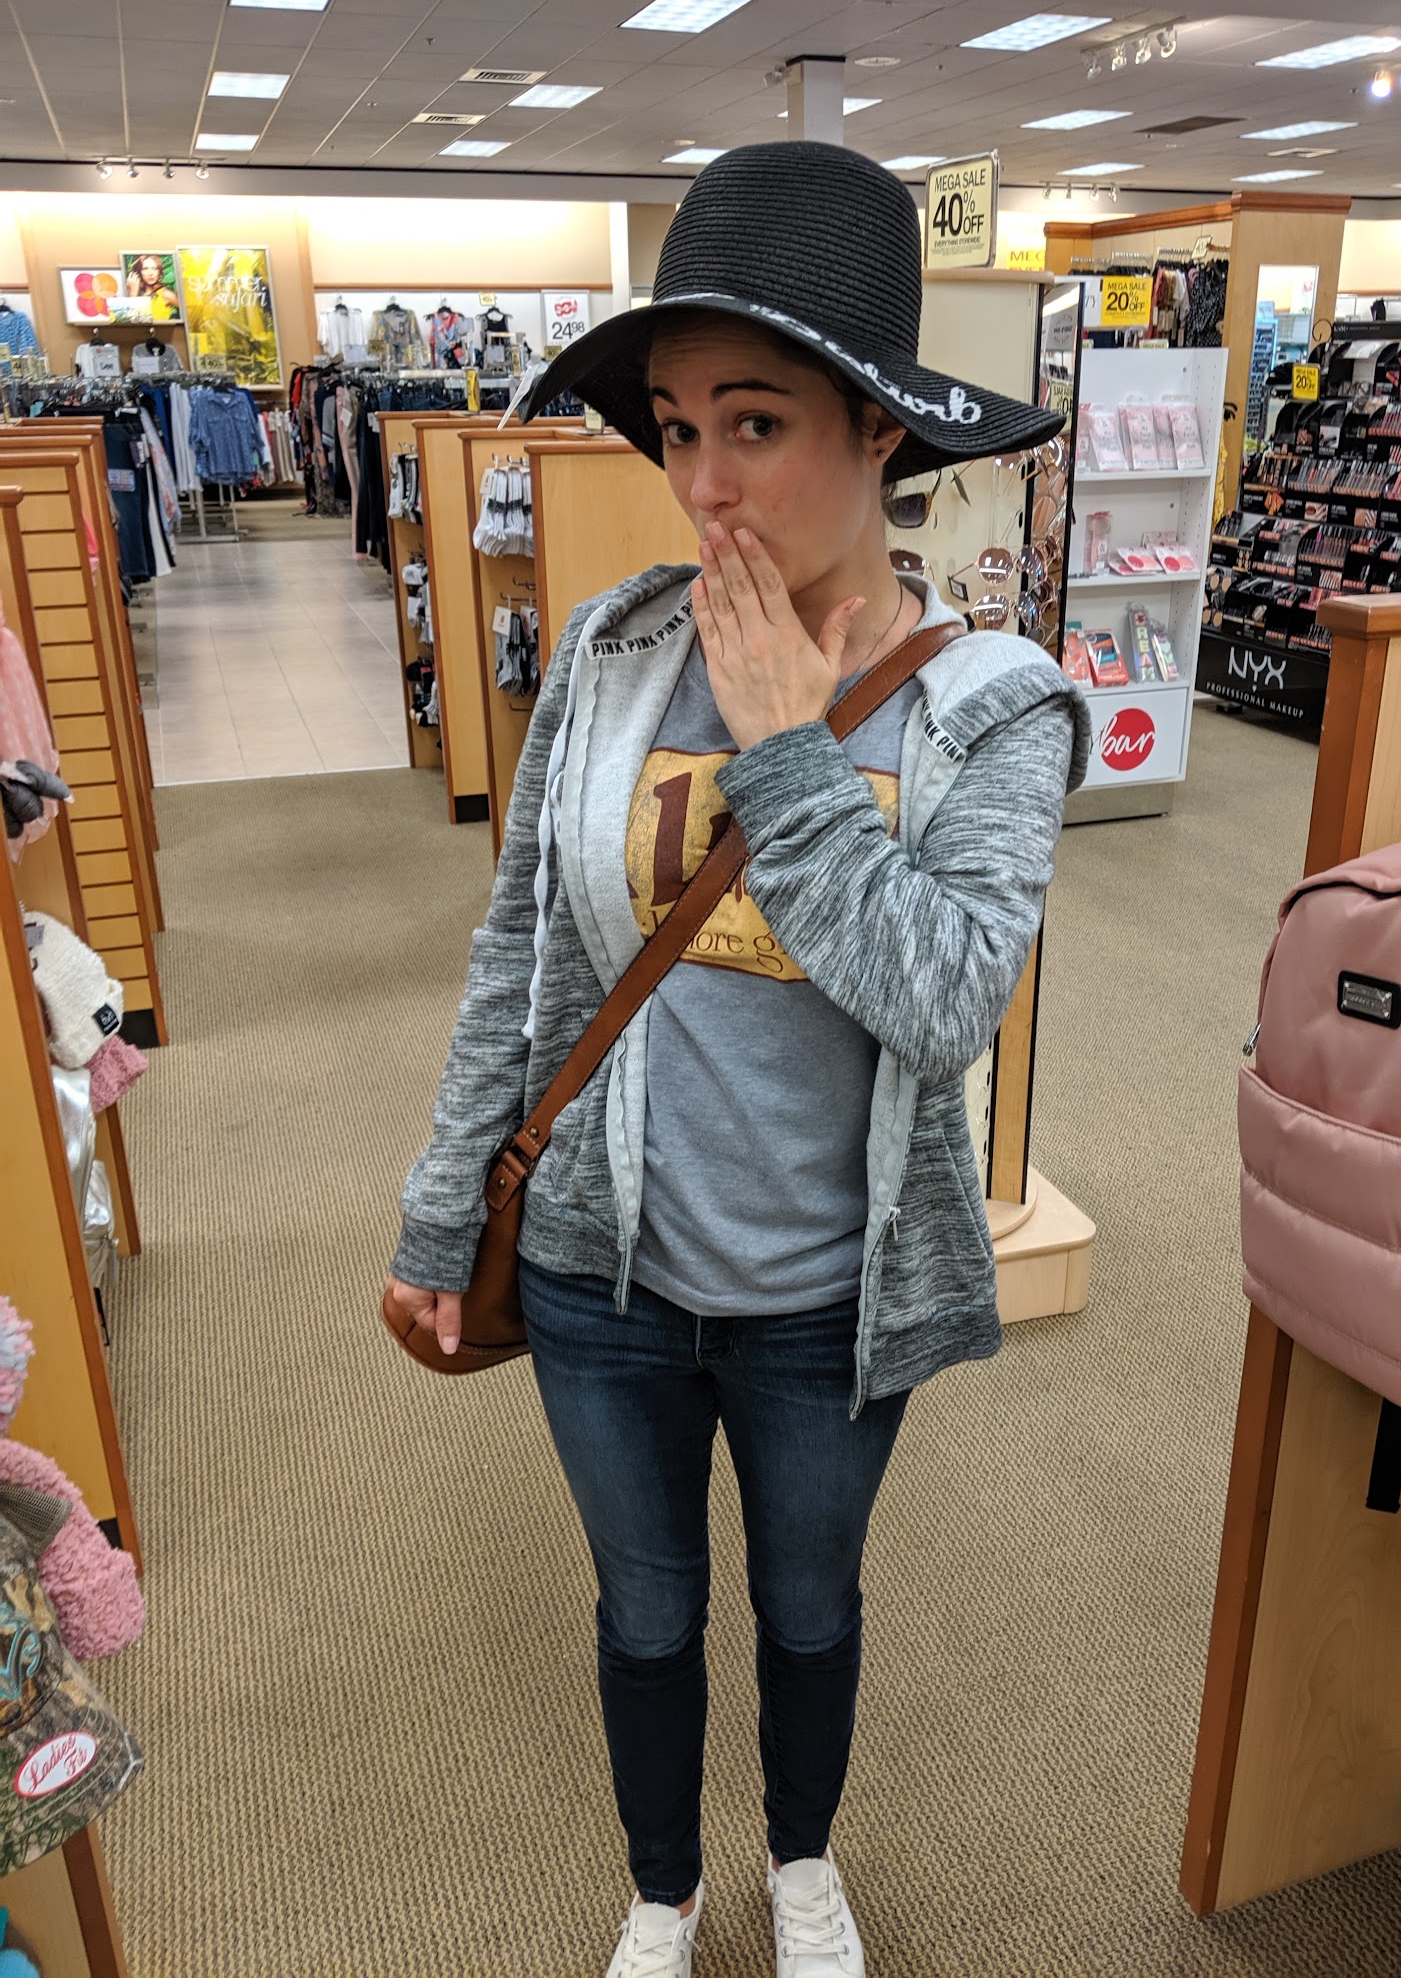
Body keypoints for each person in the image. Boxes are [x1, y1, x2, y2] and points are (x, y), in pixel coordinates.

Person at [386, 139, 1089, 1977]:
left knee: (807, 1607)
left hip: (825, 1302)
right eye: (680, 428)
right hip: (597, 1268)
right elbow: (525, 955)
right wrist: (445, 1209)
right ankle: (664, 1890)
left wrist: (788, 751)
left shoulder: (997, 709)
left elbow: (945, 1003)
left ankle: (800, 1866)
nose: (702, 482)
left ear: (882, 433)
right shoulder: (615, 650)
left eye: (757, 424)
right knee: (642, 1612)